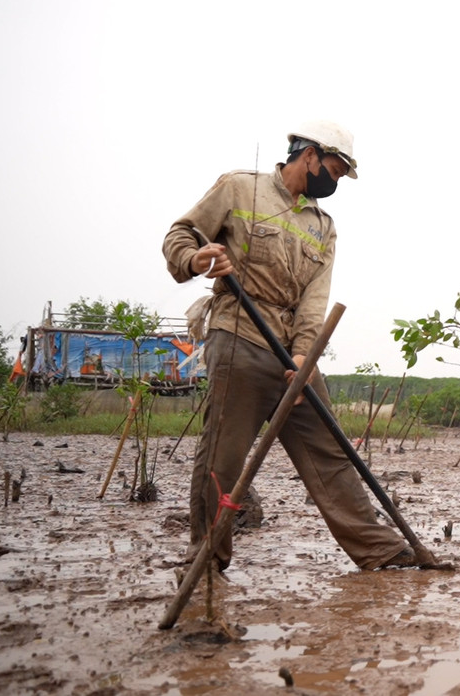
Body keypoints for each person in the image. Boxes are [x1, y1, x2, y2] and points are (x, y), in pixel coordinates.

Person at [162, 121, 418, 572]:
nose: (335, 181)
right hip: (238, 333)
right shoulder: (240, 189)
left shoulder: (324, 226)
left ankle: (381, 551)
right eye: (335, 171)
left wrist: (304, 358)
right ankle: (206, 558)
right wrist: (195, 258)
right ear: (310, 155)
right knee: (224, 454)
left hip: (292, 350)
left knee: (332, 451)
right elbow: (180, 235)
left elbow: (314, 302)